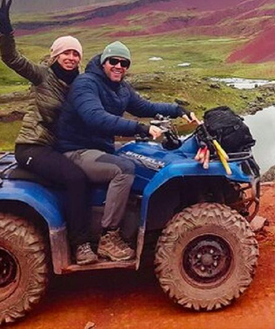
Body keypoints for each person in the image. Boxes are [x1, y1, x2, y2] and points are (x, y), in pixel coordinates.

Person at [55, 41, 197, 261]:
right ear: (104, 62)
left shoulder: (120, 88)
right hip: (77, 150)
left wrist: (178, 109)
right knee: (124, 170)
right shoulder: (86, 84)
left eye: (124, 63)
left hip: (100, 147)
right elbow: (95, 117)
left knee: (143, 156)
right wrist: (139, 128)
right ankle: (108, 237)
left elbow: (144, 107)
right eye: (114, 61)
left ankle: (136, 218)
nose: (119, 66)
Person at [0, 0, 98, 265]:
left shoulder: (81, 85)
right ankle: (81, 245)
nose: (71, 58)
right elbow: (11, 58)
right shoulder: (42, 75)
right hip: (33, 146)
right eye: (66, 53)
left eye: (75, 54)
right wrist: (6, 28)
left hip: (59, 148)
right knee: (75, 179)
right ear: (55, 55)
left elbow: (95, 111)